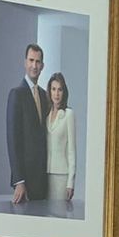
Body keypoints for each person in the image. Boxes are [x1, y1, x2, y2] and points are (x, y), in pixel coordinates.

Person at [6, 43, 50, 205]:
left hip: (43, 179)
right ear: (25, 62)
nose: (34, 65)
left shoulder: (45, 96)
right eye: (31, 60)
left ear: (42, 66)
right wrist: (19, 181)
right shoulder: (16, 94)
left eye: (38, 62)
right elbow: (13, 140)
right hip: (25, 180)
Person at [45, 71, 76, 204]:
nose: (56, 94)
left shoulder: (68, 114)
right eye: (53, 89)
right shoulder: (46, 114)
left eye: (60, 90)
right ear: (49, 91)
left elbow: (71, 151)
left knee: (59, 214)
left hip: (61, 176)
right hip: (45, 174)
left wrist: (70, 182)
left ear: (64, 92)